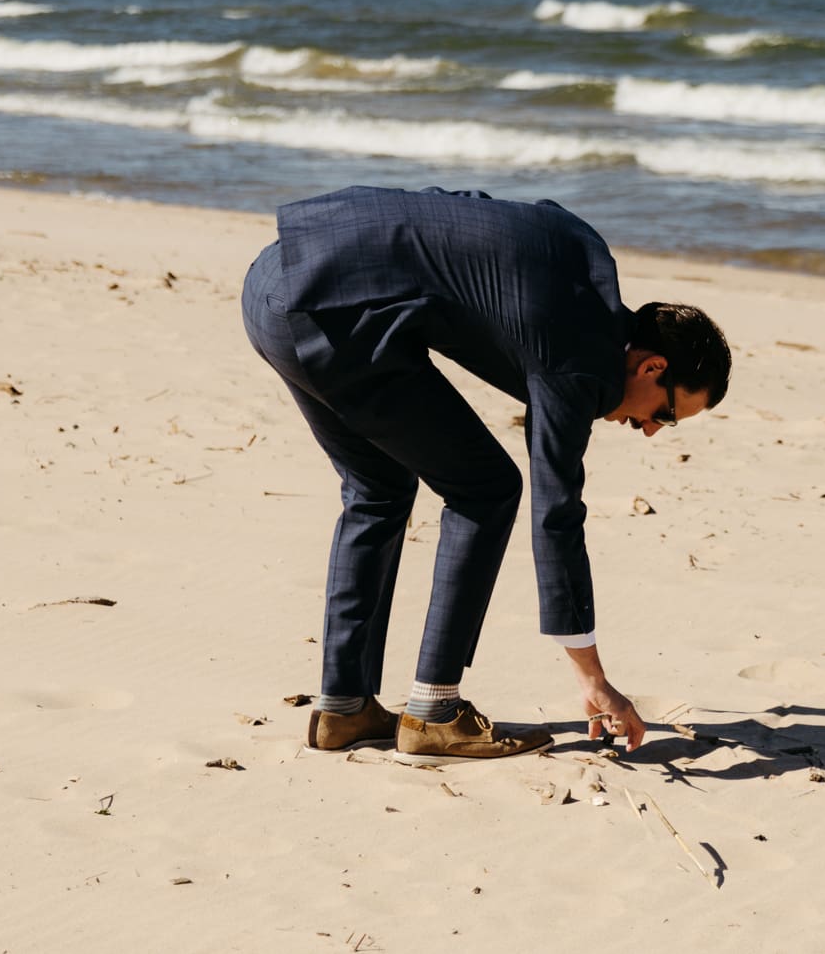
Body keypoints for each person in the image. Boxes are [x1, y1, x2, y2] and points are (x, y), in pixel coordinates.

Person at [240, 184, 731, 762]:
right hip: (331, 316)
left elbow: (472, 208)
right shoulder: (580, 363)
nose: (651, 429)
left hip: (276, 281)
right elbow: (557, 516)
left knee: (378, 488)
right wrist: (593, 678)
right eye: (667, 414)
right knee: (487, 490)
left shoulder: (584, 258)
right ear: (652, 365)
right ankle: (435, 713)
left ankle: (344, 710)